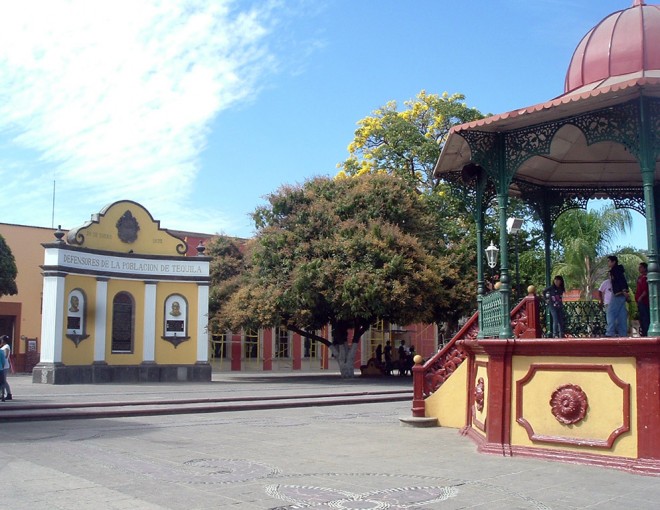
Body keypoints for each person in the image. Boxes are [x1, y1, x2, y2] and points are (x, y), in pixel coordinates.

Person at [606, 255, 630, 337]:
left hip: (618, 293)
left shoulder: (615, 270)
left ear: (614, 262)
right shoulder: (618, 270)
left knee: (610, 312)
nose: (608, 263)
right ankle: (623, 333)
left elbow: (621, 280)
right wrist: (625, 291)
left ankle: (610, 332)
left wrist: (623, 290)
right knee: (621, 314)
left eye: (609, 261)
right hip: (620, 293)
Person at [636, 262, 650, 337]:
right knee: (642, 318)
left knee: (645, 318)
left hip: (644, 301)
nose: (639, 268)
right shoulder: (640, 277)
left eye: (641, 267)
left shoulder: (645, 278)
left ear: (645, 268)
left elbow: (645, 290)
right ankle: (643, 332)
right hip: (640, 301)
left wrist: (640, 298)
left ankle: (646, 333)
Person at [0, 335, 11, 401]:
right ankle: (3, 394)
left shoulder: (6, 346)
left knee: (4, 381)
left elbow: (6, 356)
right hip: (2, 365)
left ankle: (8, 394)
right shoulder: (3, 347)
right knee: (3, 381)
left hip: (4, 366)